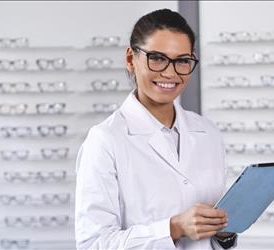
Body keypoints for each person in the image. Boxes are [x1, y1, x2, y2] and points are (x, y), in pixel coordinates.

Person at [75, 8, 237, 249]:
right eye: (158, 58)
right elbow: (94, 244)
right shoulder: (106, 140)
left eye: (182, 61)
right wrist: (174, 228)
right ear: (131, 59)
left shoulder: (208, 133)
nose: (170, 73)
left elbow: (211, 235)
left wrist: (223, 235)